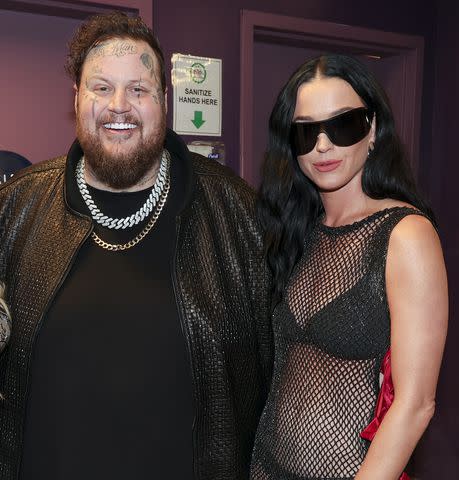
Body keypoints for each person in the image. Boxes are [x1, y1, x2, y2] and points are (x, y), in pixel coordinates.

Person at [0, 11, 273, 480]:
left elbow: (283, 370)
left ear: (164, 100)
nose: (119, 105)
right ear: (77, 97)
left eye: (139, 89)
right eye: (101, 87)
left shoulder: (237, 214)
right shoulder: (15, 207)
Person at [250, 54, 448, 480]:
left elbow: (416, 404)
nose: (323, 145)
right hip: (266, 466)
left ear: (372, 129)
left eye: (342, 125)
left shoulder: (405, 235)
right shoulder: (295, 233)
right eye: (306, 131)